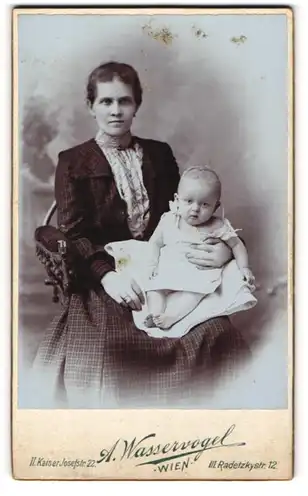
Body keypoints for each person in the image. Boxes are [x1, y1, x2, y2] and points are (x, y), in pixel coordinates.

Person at [32, 61, 251, 408]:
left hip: (165, 264)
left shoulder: (159, 155)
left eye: (124, 101)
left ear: (136, 105)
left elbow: (189, 213)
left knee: (218, 333)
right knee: (111, 345)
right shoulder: (72, 161)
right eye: (106, 102)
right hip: (103, 269)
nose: (116, 111)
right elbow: (73, 234)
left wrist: (225, 251)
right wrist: (107, 278)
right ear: (91, 106)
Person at [143, 166, 256, 330]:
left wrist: (244, 267)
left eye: (204, 204)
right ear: (177, 199)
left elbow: (237, 244)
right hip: (171, 266)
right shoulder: (169, 220)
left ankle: (172, 317)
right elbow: (155, 243)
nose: (195, 208)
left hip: (199, 271)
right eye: (188, 201)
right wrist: (152, 264)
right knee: (154, 287)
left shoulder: (217, 225)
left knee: (196, 292)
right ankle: (155, 313)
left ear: (216, 207)